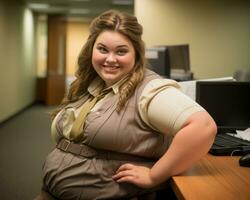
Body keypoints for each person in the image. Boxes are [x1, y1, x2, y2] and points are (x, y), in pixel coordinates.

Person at [36, 10, 217, 200]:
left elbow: (203, 127)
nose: (110, 59)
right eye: (103, 49)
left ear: (136, 54)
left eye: (121, 51)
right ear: (91, 49)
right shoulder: (91, 84)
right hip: (49, 192)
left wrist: (153, 176)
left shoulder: (148, 89)